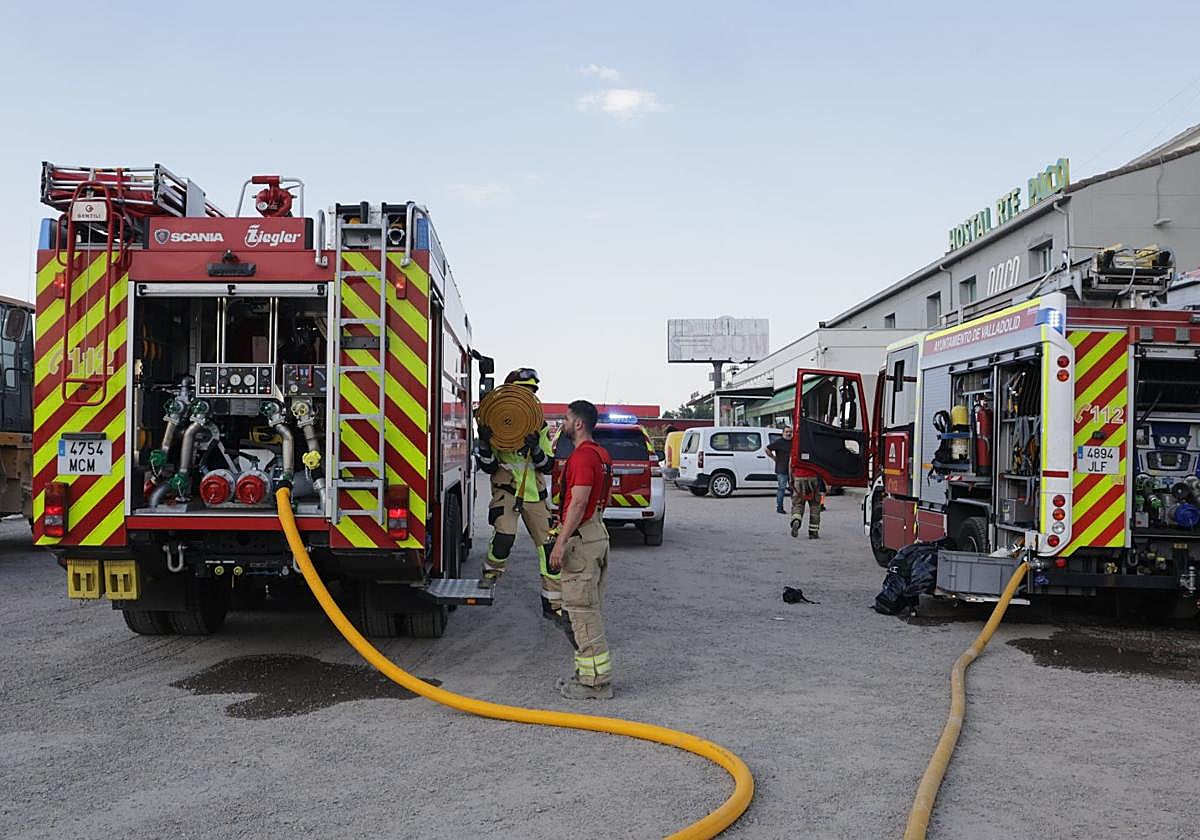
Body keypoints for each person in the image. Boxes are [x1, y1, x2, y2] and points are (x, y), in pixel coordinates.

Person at [476, 368, 560, 618]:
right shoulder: (494, 424)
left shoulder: (540, 427)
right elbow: (488, 466)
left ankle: (552, 602)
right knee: (504, 538)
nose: (527, 396)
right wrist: (484, 442)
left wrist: (535, 449)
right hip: (507, 492)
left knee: (548, 547)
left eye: (531, 392)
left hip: (534, 495)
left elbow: (548, 465)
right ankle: (489, 577)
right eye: (522, 391)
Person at [548, 400, 614, 700]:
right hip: (596, 534)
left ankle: (594, 684)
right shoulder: (601, 455)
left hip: (582, 541)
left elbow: (577, 502)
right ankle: (585, 674)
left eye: (565, 419)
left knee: (582, 612)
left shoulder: (583, 458)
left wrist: (560, 543)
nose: (561, 424)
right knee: (584, 610)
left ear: (578, 424)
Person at [765, 426, 793, 514]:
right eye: (787, 432)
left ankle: (795, 507)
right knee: (782, 489)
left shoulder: (794, 442)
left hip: (792, 470)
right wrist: (773, 457)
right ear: (783, 433)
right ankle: (779, 507)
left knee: (794, 489)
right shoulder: (779, 442)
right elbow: (767, 449)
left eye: (790, 432)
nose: (788, 434)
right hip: (782, 469)